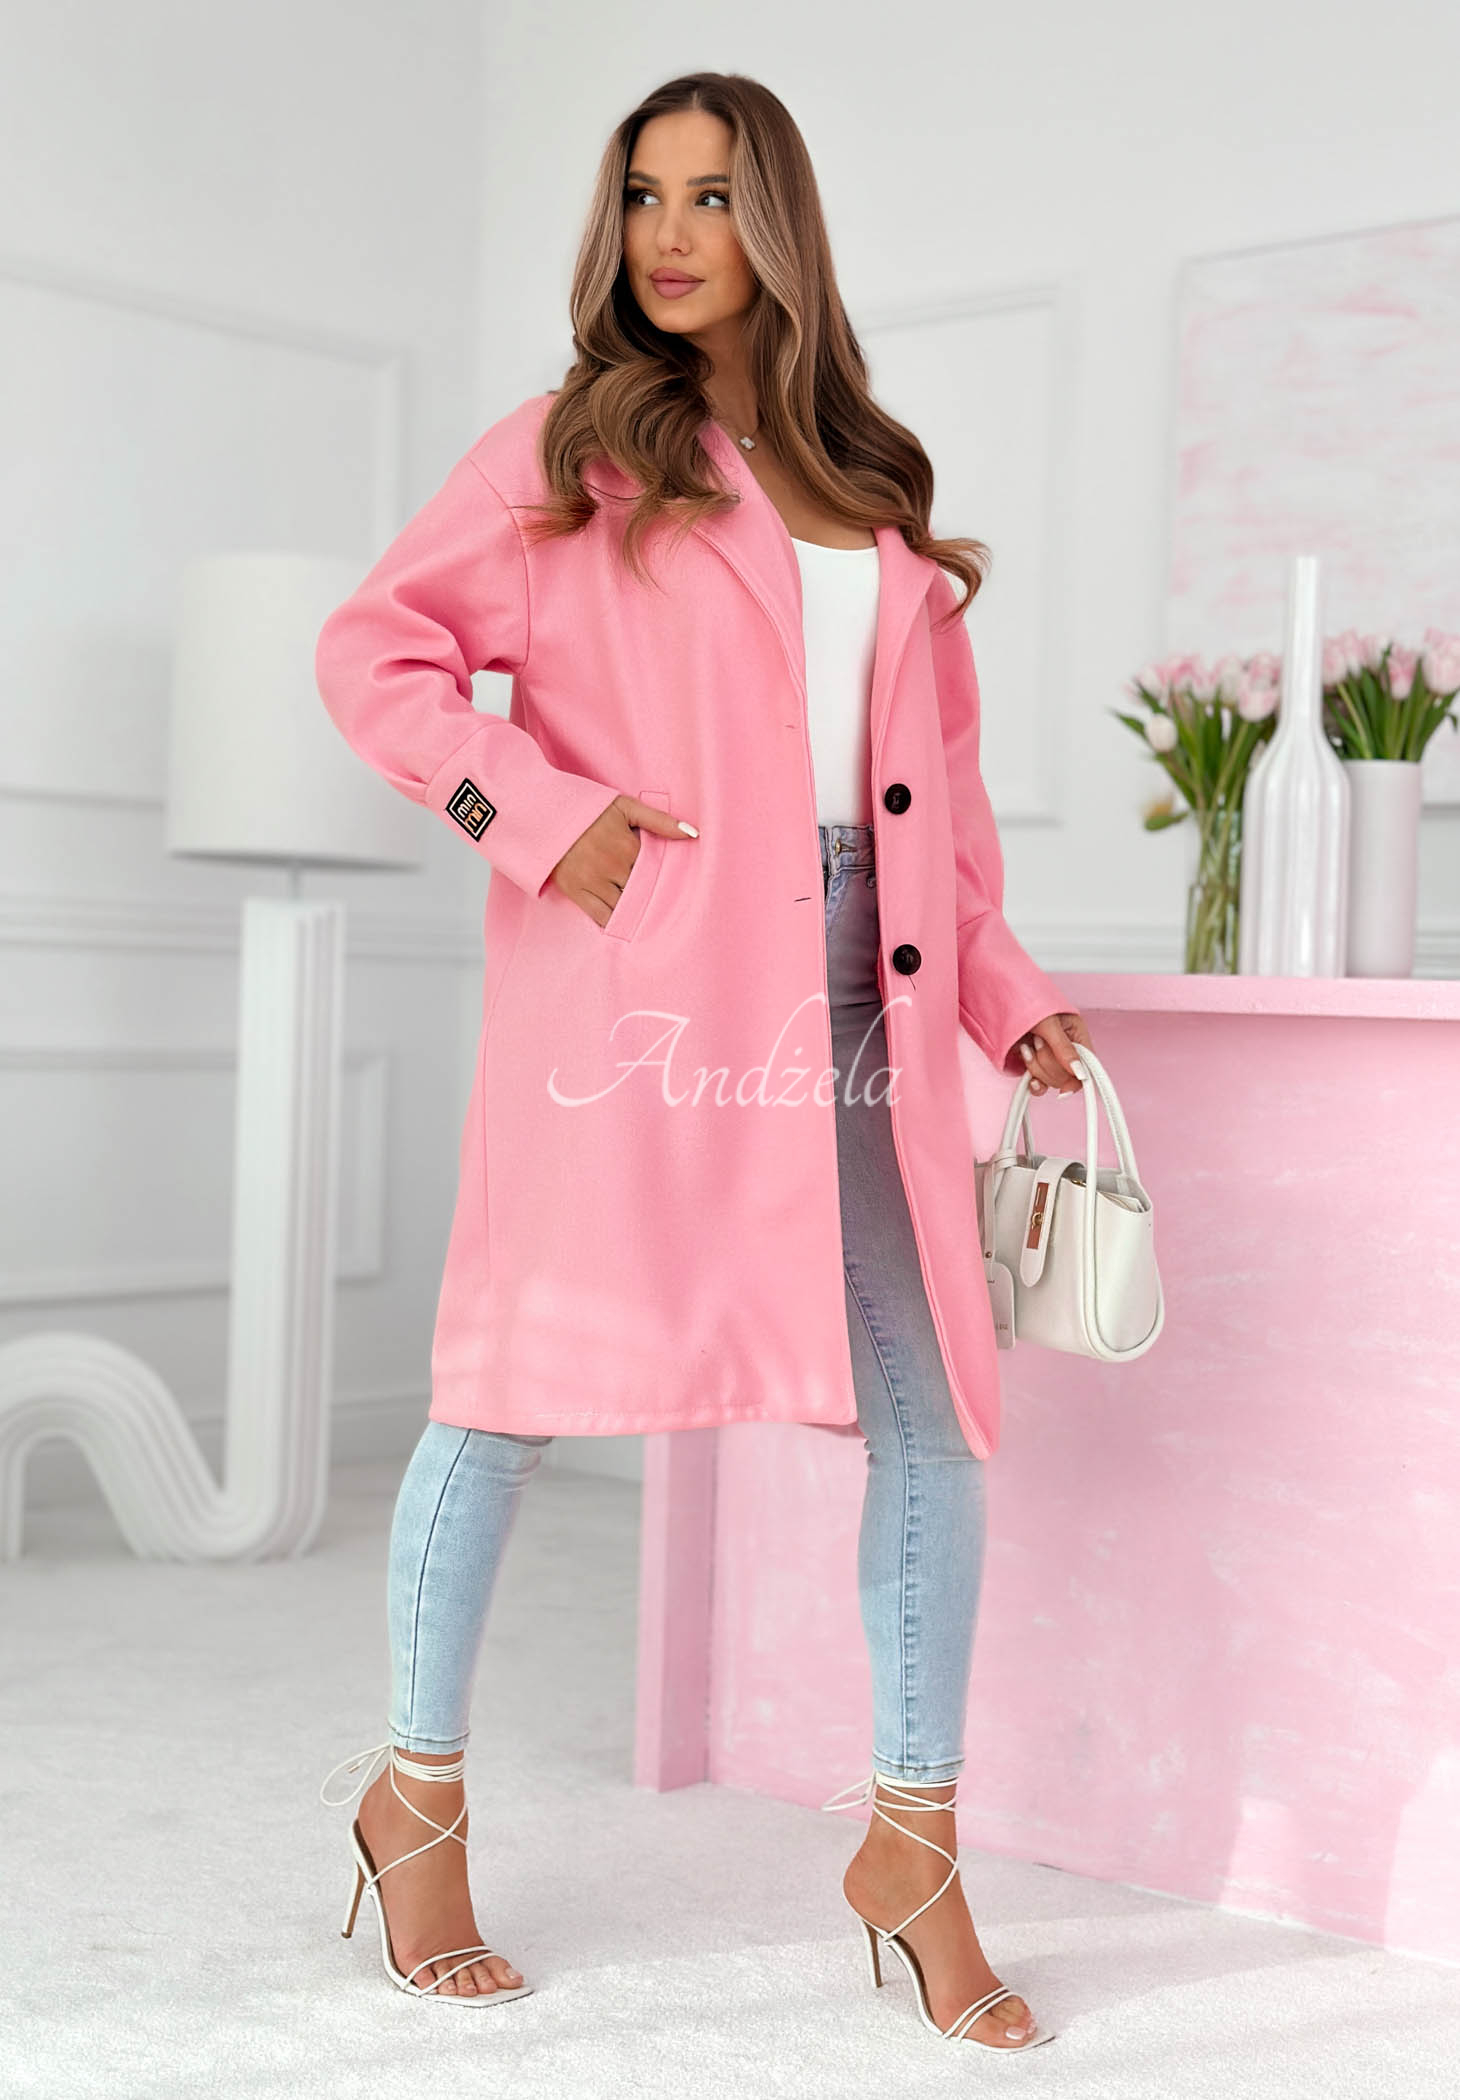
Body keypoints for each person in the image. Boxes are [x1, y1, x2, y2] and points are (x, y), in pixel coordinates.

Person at [316, 70, 1092, 2051]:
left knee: (936, 1416)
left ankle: (912, 1846)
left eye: (714, 197)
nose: (670, 234)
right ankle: (414, 1804)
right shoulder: (570, 452)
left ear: (780, 227)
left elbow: (941, 808)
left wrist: (1001, 988)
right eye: (645, 195)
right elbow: (373, 653)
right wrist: (531, 807)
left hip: (870, 987)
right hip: (647, 987)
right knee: (508, 1387)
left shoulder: (871, 490)